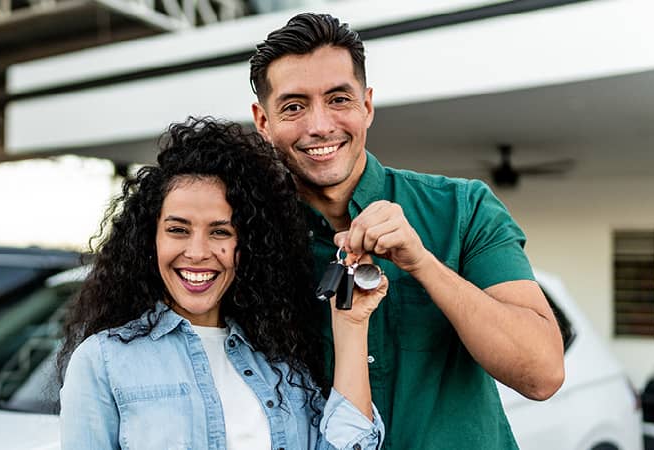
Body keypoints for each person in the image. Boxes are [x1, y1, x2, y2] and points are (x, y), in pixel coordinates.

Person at [249, 13, 566, 449]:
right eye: (294, 106)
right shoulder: (246, 238)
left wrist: (422, 263)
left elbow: (542, 374)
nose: (319, 125)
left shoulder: (463, 208)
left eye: (339, 99)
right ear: (263, 122)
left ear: (368, 105)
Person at [58, 117, 387, 449]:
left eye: (220, 232)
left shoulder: (281, 361)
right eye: (178, 229)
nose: (198, 252)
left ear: (248, 246)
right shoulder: (103, 361)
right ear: (149, 239)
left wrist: (351, 325)